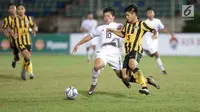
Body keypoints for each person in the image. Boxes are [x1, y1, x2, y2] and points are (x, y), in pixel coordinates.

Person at [73, 7, 159, 95]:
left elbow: (128, 32)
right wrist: (78, 44)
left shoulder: (120, 26)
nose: (106, 18)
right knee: (97, 65)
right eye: (105, 16)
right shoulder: (100, 28)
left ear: (113, 17)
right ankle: (94, 83)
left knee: (125, 77)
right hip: (103, 52)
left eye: (108, 16)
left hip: (115, 54)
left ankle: (147, 80)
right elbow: (90, 36)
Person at [107, 4, 158, 95]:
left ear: (134, 14)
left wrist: (154, 34)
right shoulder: (127, 24)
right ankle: (147, 80)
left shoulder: (142, 24)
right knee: (125, 77)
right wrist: (113, 31)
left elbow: (153, 29)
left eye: (128, 15)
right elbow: (123, 34)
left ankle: (144, 87)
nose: (126, 17)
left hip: (136, 50)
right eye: (126, 15)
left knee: (132, 64)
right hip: (127, 52)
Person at [142, 7, 176, 74]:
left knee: (155, 54)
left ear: (153, 13)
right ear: (147, 14)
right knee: (156, 54)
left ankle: (163, 70)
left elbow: (163, 28)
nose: (150, 14)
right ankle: (163, 70)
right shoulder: (145, 22)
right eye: (148, 13)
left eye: (151, 12)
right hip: (148, 41)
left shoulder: (157, 21)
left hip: (155, 41)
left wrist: (170, 34)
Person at [10, 4, 38, 80]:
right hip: (19, 42)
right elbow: (11, 29)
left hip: (28, 41)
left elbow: (35, 27)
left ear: (24, 10)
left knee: (27, 58)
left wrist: (34, 29)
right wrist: (13, 34)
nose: (20, 10)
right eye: (19, 9)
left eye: (22, 8)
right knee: (27, 56)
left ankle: (23, 70)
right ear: (17, 11)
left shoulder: (28, 18)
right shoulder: (14, 20)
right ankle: (29, 72)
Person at [1, 3, 20, 68]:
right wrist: (7, 34)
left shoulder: (21, 18)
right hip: (13, 40)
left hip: (21, 39)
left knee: (26, 54)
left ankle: (25, 71)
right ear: (8, 10)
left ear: (16, 9)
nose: (12, 9)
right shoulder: (7, 19)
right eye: (10, 8)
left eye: (13, 8)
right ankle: (15, 60)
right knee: (18, 57)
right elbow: (3, 28)